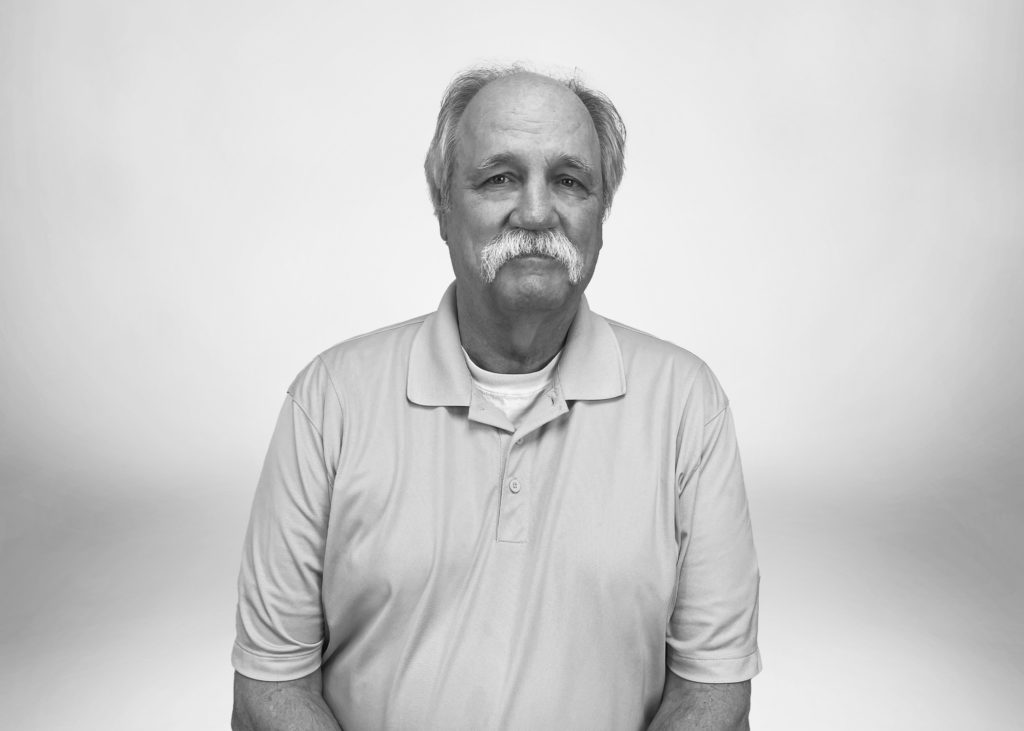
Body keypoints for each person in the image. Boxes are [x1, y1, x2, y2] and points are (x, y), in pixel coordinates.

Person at [231, 65, 761, 731]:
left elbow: (713, 698)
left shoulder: (688, 406)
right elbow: (269, 693)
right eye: (500, 177)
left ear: (602, 211)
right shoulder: (328, 402)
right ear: (442, 205)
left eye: (569, 181)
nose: (537, 212)